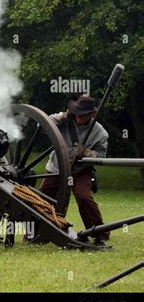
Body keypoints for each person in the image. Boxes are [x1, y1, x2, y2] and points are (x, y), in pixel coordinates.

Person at [40, 95, 110, 245]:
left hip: (80, 170)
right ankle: (36, 232)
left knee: (84, 198)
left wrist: (87, 153)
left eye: (83, 114)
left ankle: (100, 233)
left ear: (92, 114)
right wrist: (58, 118)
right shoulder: (64, 121)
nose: (79, 116)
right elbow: (42, 126)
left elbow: (101, 155)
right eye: (78, 112)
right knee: (43, 198)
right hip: (57, 167)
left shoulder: (100, 133)